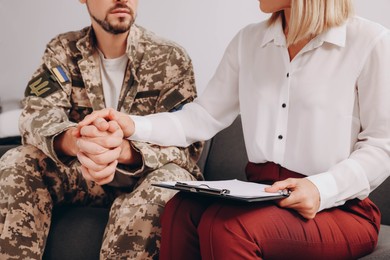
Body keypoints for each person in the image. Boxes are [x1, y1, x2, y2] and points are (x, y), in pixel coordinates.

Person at [79, 0, 390, 259]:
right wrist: (132, 124)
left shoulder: (369, 41)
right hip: (263, 194)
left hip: (340, 208)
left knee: (227, 227)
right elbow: (201, 117)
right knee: (180, 210)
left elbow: (382, 145)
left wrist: (320, 189)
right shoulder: (249, 41)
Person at [0, 0, 204, 259]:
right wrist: (78, 141)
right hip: (82, 175)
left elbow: (189, 145)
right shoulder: (62, 50)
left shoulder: (170, 58)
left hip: (144, 177)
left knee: (172, 180)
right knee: (18, 160)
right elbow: (35, 112)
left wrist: (124, 151)